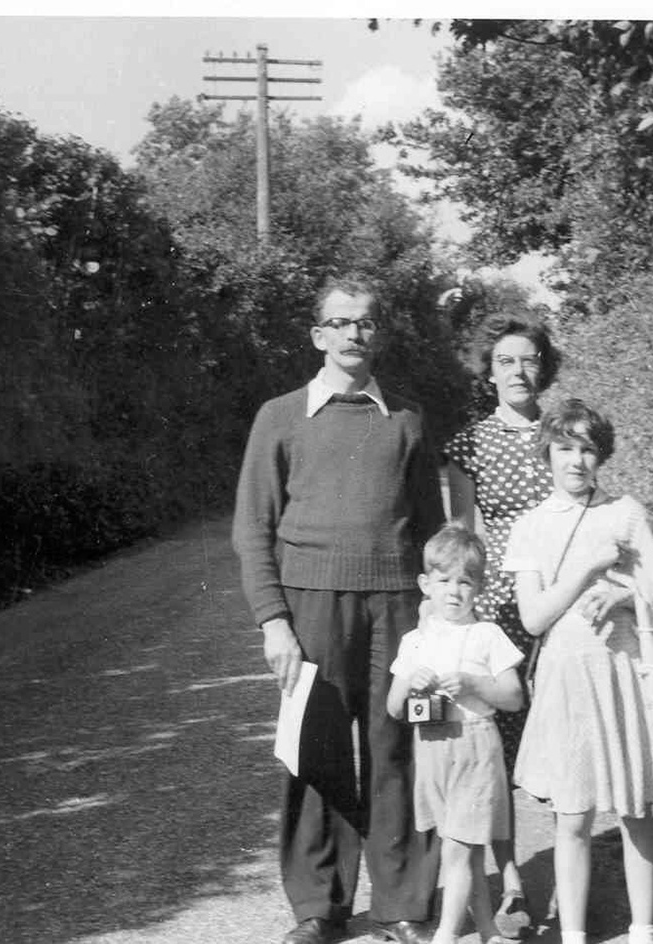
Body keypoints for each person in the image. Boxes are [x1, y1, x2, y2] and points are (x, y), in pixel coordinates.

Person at [232, 278, 444, 944]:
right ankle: (318, 908)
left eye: (367, 322)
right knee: (314, 752)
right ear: (319, 335)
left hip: (398, 605)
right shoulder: (280, 417)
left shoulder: (407, 419)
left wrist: (436, 619)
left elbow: (432, 530)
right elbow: (252, 528)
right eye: (342, 322)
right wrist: (273, 621)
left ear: (380, 334)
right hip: (311, 606)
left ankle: (403, 904)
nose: (355, 333)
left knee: (399, 745)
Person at [503, 399, 653, 944]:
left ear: (602, 455)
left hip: (624, 674)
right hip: (568, 679)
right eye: (565, 448)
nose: (576, 461)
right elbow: (533, 617)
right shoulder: (529, 527)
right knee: (572, 815)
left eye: (587, 449)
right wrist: (587, 568)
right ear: (547, 452)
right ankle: (573, 934)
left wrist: (625, 595)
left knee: (635, 805)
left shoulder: (625, 514)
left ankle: (642, 927)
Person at [440, 314, 557, 937]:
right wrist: (451, 615)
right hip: (501, 606)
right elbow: (462, 535)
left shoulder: (563, 433)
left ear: (544, 366)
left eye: (529, 359)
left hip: (560, 598)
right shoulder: (469, 443)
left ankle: (571, 872)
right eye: (506, 361)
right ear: (489, 372)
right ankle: (512, 884)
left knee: (562, 732)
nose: (518, 371)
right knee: (498, 747)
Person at [387, 524, 525, 944]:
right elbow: (394, 708)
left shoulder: (487, 635)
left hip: (474, 747)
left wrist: (473, 682)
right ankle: (487, 930)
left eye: (465, 582)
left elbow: (514, 697)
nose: (454, 591)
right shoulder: (414, 641)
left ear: (478, 587)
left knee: (459, 849)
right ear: (425, 585)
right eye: (444, 580)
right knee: (464, 846)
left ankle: (445, 935)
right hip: (432, 748)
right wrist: (412, 682)